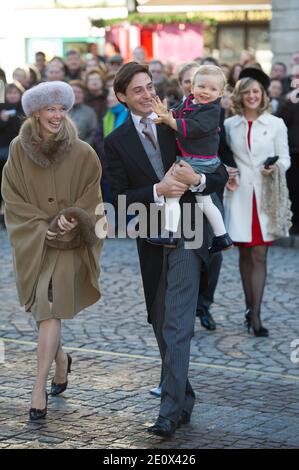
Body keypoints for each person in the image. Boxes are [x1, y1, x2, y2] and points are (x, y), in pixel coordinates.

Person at [105, 62, 228, 437]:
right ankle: (183, 395)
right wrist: (158, 191)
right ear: (123, 97)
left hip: (192, 231)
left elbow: (219, 170)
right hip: (151, 233)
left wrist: (199, 179)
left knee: (176, 321)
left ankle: (169, 412)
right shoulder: (115, 142)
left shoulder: (179, 121)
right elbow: (118, 202)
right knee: (160, 321)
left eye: (150, 86)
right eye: (138, 90)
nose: (147, 95)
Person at [1, 81, 105, 420]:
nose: (57, 115)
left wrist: (73, 220)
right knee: (41, 308)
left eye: (62, 109)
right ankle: (60, 359)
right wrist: (41, 227)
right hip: (34, 241)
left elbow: (93, 199)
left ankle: (37, 388)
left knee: (48, 308)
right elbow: (12, 196)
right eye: (50, 109)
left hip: (68, 245)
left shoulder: (83, 152)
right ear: (35, 113)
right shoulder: (18, 148)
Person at [224, 67, 291, 337]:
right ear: (240, 95)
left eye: (257, 91)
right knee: (244, 254)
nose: (252, 96)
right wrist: (227, 170)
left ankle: (257, 316)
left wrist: (273, 169)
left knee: (260, 254)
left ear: (263, 94)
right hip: (239, 196)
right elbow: (224, 156)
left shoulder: (276, 124)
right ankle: (249, 307)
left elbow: (286, 159)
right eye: (247, 92)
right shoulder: (230, 125)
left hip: (264, 196)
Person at [149, 65, 233, 254]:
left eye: (213, 89)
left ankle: (170, 233)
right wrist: (167, 114)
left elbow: (195, 127)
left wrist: (171, 121)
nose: (206, 92)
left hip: (200, 161)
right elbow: (177, 114)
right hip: (195, 159)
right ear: (192, 87)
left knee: (172, 194)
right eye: (202, 86)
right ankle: (222, 237)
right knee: (205, 201)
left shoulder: (212, 110)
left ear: (220, 93)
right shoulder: (190, 103)